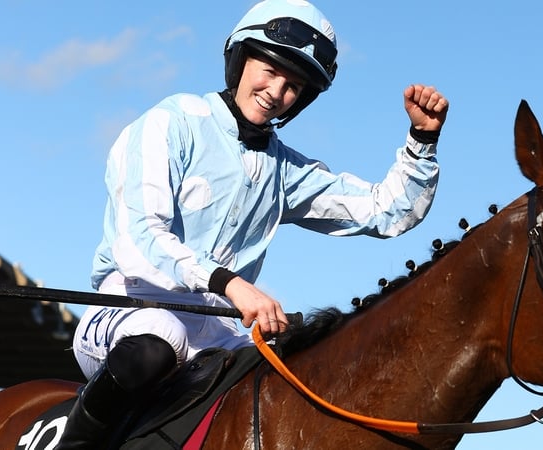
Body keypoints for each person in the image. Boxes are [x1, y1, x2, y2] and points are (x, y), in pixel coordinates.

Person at [57, 0, 449, 448]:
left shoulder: (285, 172)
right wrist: (229, 283)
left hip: (216, 334)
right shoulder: (171, 123)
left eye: (293, 85)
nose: (276, 91)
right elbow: (140, 239)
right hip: (129, 309)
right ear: (240, 58)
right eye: (269, 70)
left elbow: (387, 210)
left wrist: (422, 141)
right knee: (157, 342)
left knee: (289, 384)